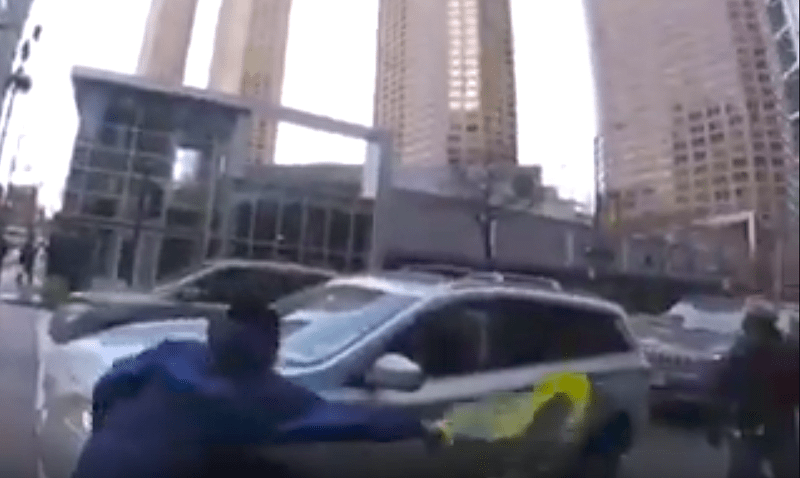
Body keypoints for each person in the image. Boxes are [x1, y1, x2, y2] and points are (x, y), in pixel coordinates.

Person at [71, 293, 438, 478]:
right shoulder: (261, 396)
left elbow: (110, 382)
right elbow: (347, 419)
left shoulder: (174, 353)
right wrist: (418, 426)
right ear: (269, 346)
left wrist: (107, 431)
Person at [707, 305, 799, 478]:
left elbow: (721, 387)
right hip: (774, 421)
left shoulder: (743, 350)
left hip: (753, 420)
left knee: (747, 469)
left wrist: (715, 423)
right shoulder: (789, 349)